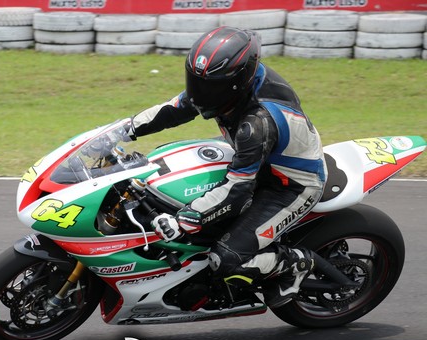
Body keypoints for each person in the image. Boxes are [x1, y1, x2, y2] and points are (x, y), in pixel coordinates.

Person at [128, 27, 327, 308]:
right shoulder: (229, 88)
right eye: (196, 81)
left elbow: (237, 191)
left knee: (226, 259)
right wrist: (124, 129)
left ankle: (295, 263)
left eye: (209, 86)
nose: (199, 93)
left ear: (236, 82)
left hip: (289, 185)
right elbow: (174, 109)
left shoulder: (256, 124)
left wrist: (184, 219)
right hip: (255, 159)